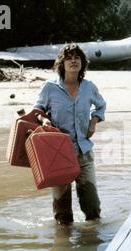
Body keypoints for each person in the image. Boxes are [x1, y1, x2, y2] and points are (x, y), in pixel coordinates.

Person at [33, 43, 106, 226]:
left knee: (92, 206)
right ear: (62, 63)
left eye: (77, 57)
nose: (73, 60)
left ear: (82, 63)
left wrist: (94, 120)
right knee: (62, 211)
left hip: (84, 152)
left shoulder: (89, 87)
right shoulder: (49, 87)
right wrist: (44, 121)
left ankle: (90, 242)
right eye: (69, 57)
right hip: (59, 154)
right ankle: (64, 240)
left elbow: (101, 105)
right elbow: (37, 110)